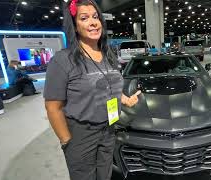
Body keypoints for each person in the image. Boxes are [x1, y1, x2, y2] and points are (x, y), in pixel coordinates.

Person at [43, 0, 141, 180]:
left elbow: (108, 83)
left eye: (95, 17)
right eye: (84, 18)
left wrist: (125, 99)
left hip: (109, 129)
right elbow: (53, 107)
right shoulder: (63, 60)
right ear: (75, 25)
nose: (93, 22)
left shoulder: (108, 54)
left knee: (105, 174)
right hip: (81, 133)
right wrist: (67, 141)